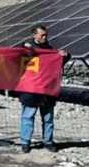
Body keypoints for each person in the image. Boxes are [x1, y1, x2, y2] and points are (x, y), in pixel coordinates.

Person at [18, 25, 70, 153]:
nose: (45, 37)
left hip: (47, 90)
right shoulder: (26, 49)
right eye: (42, 35)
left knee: (48, 119)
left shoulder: (51, 51)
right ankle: (25, 142)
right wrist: (22, 46)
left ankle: (48, 141)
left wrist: (66, 56)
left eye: (46, 35)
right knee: (28, 117)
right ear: (34, 36)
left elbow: (59, 63)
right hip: (31, 90)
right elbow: (13, 54)